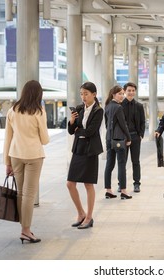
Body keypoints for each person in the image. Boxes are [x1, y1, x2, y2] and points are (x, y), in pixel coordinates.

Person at [3, 80, 49, 243]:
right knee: (29, 194)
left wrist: (7, 162)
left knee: (21, 193)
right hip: (33, 155)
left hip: (15, 154)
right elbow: (44, 139)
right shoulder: (39, 112)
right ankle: (26, 230)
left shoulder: (12, 111)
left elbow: (7, 138)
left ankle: (24, 228)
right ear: (38, 94)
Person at [66, 82, 104, 229]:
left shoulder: (98, 111)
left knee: (88, 184)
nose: (83, 97)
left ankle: (89, 217)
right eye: (81, 94)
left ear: (94, 94)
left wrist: (78, 130)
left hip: (90, 151)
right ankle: (81, 213)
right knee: (70, 184)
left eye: (86, 94)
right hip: (78, 149)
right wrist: (72, 121)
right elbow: (71, 131)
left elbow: (90, 132)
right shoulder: (80, 108)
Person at [104, 85, 132, 199]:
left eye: (122, 93)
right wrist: (129, 138)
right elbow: (123, 125)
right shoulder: (118, 107)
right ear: (113, 94)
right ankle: (124, 191)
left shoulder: (107, 106)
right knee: (121, 165)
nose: (122, 96)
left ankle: (108, 190)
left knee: (109, 165)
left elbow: (107, 124)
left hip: (109, 139)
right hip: (119, 140)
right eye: (120, 93)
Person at [120, 82, 145, 193]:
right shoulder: (119, 105)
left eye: (133, 90)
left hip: (135, 137)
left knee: (136, 161)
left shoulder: (139, 106)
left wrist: (141, 135)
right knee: (122, 162)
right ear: (124, 91)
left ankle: (136, 184)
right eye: (129, 90)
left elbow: (143, 122)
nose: (131, 92)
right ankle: (121, 184)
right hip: (123, 138)